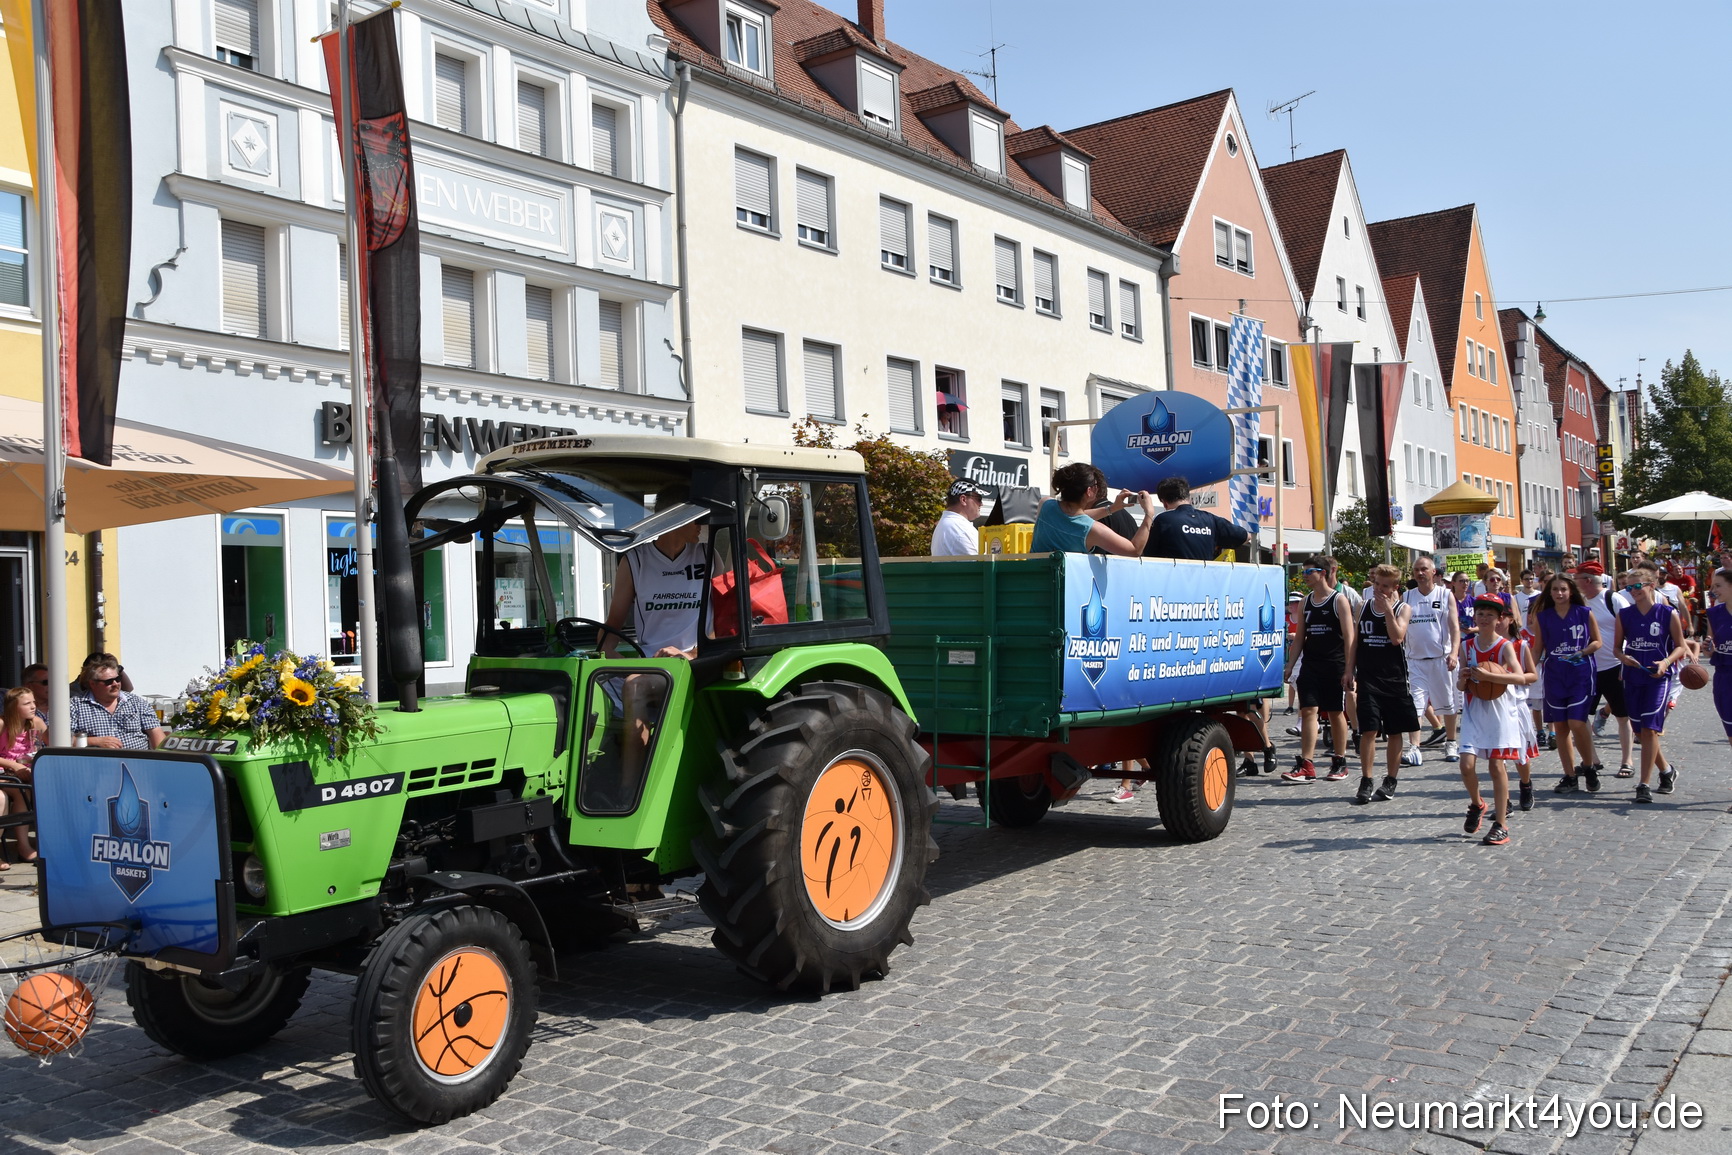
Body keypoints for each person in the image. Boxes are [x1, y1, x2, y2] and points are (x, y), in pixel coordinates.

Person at [1457, 600, 1534, 846]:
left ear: (1499, 619)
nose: (1484, 618)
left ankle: (1501, 823)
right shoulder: (1466, 646)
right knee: (1466, 764)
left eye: (1489, 615)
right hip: (1474, 708)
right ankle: (1477, 803)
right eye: (1480, 614)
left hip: (1500, 710)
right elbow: (1460, 686)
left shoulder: (1505, 647)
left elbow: (1522, 677)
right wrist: (1464, 678)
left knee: (1495, 766)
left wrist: (1491, 676)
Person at [1615, 560, 1690, 804]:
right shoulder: (1625, 615)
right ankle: (1667, 771)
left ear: (1651, 585)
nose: (1634, 591)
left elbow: (1681, 646)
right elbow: (1616, 648)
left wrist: (1666, 663)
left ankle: (1643, 785)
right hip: (1633, 676)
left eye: (1638, 586)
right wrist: (1622, 657)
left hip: (1658, 677)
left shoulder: (1668, 613)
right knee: (1640, 731)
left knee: (1649, 729)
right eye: (1628, 587)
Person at [1280, 555, 1356, 783]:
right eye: (1302, 572)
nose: (1304, 577)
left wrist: (1349, 669)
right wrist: (1290, 665)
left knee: (1334, 712)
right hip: (1311, 665)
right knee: (1308, 710)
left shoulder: (1338, 600)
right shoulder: (1306, 602)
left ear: (1322, 573)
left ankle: (1340, 760)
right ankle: (1307, 764)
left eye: (1307, 572)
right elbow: (1300, 637)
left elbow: (1350, 637)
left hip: (1334, 664)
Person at [1350, 565, 1417, 805]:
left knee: (1395, 731)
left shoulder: (1403, 608)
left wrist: (1388, 610)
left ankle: (1390, 778)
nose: (1379, 589)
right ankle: (1366, 779)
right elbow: (1355, 641)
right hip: (1368, 677)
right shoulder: (1363, 606)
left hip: (1395, 679)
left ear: (1395, 588)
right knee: (1368, 729)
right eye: (1377, 584)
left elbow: (1396, 637)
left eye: (1385, 586)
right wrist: (1349, 670)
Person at [1535, 575, 1604, 795]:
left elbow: (1597, 641)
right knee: (1561, 727)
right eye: (1555, 589)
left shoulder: (1584, 613)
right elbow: (1538, 648)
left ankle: (1589, 765)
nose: (1559, 593)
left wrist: (1583, 652)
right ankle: (1570, 776)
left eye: (1563, 589)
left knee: (1577, 722)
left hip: (1580, 673)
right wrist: (1525, 670)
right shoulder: (1543, 617)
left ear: (1571, 591)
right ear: (1550, 592)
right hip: (1555, 675)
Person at [1404, 558, 1461, 764]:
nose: (1420, 573)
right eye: (1416, 570)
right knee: (1415, 705)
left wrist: (1454, 653)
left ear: (1433, 571)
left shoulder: (1445, 594)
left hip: (1441, 659)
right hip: (1415, 661)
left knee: (1448, 703)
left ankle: (1451, 742)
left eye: (1424, 569)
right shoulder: (1407, 596)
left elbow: (1454, 627)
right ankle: (1414, 748)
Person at [1030, 463, 1153, 556]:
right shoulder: (1093, 530)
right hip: (1064, 587)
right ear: (1089, 491)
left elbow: (1071, 518)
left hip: (1031, 579)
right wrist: (1149, 514)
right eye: (1095, 485)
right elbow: (1134, 550)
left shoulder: (1045, 504)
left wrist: (1112, 508)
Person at [1580, 570, 1635, 777]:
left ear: (1587, 580)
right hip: (1589, 668)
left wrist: (1625, 661)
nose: (1574, 583)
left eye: (1577, 579)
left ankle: (1627, 761)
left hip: (1614, 666)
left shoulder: (1613, 599)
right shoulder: (1580, 602)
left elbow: (1631, 630)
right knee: (1581, 715)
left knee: (1623, 716)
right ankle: (1593, 760)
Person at [66, 660, 165, 751]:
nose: (115, 684)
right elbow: (58, 739)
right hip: (95, 764)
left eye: (118, 679)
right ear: (93, 684)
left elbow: (157, 735)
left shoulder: (137, 702)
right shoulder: (75, 705)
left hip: (137, 763)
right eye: (108, 681)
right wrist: (94, 741)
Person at [1144, 476, 1249, 560]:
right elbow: (1246, 537)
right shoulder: (1211, 519)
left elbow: (1147, 554)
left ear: (1164, 503)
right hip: (1202, 581)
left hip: (1174, 580)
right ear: (1189, 498)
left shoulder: (1163, 520)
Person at [0, 685, 43, 867]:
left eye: (33, 702)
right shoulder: (3, 724)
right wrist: (14, 765)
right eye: (27, 703)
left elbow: (53, 743)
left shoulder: (36, 723)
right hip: (4, 772)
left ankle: (23, 846)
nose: (33, 706)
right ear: (13, 708)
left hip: (20, 775)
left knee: (24, 793)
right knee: (6, 797)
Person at [1703, 569, 1732, 754]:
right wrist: (1708, 649)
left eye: (1718, 586)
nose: (1714, 590)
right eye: (1713, 586)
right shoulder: (1714, 613)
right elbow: (1709, 651)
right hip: (1724, 678)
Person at [930, 479, 988, 556]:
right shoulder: (960, 528)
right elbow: (981, 564)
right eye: (979, 499)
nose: (981, 504)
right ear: (963, 500)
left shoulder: (949, 524)